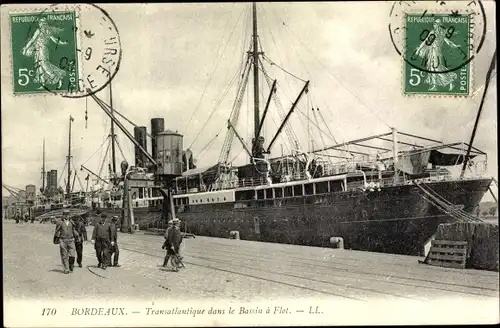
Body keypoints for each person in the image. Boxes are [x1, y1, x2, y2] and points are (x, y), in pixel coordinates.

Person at [53, 210, 77, 274]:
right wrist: (57, 238)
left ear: (69, 215)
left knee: (72, 255)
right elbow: (57, 231)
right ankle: (66, 269)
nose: (66, 216)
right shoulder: (60, 222)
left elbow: (74, 230)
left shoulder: (72, 222)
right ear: (63, 215)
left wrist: (77, 236)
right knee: (64, 255)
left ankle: (71, 265)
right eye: (65, 214)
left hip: (71, 240)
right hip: (63, 240)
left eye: (68, 214)